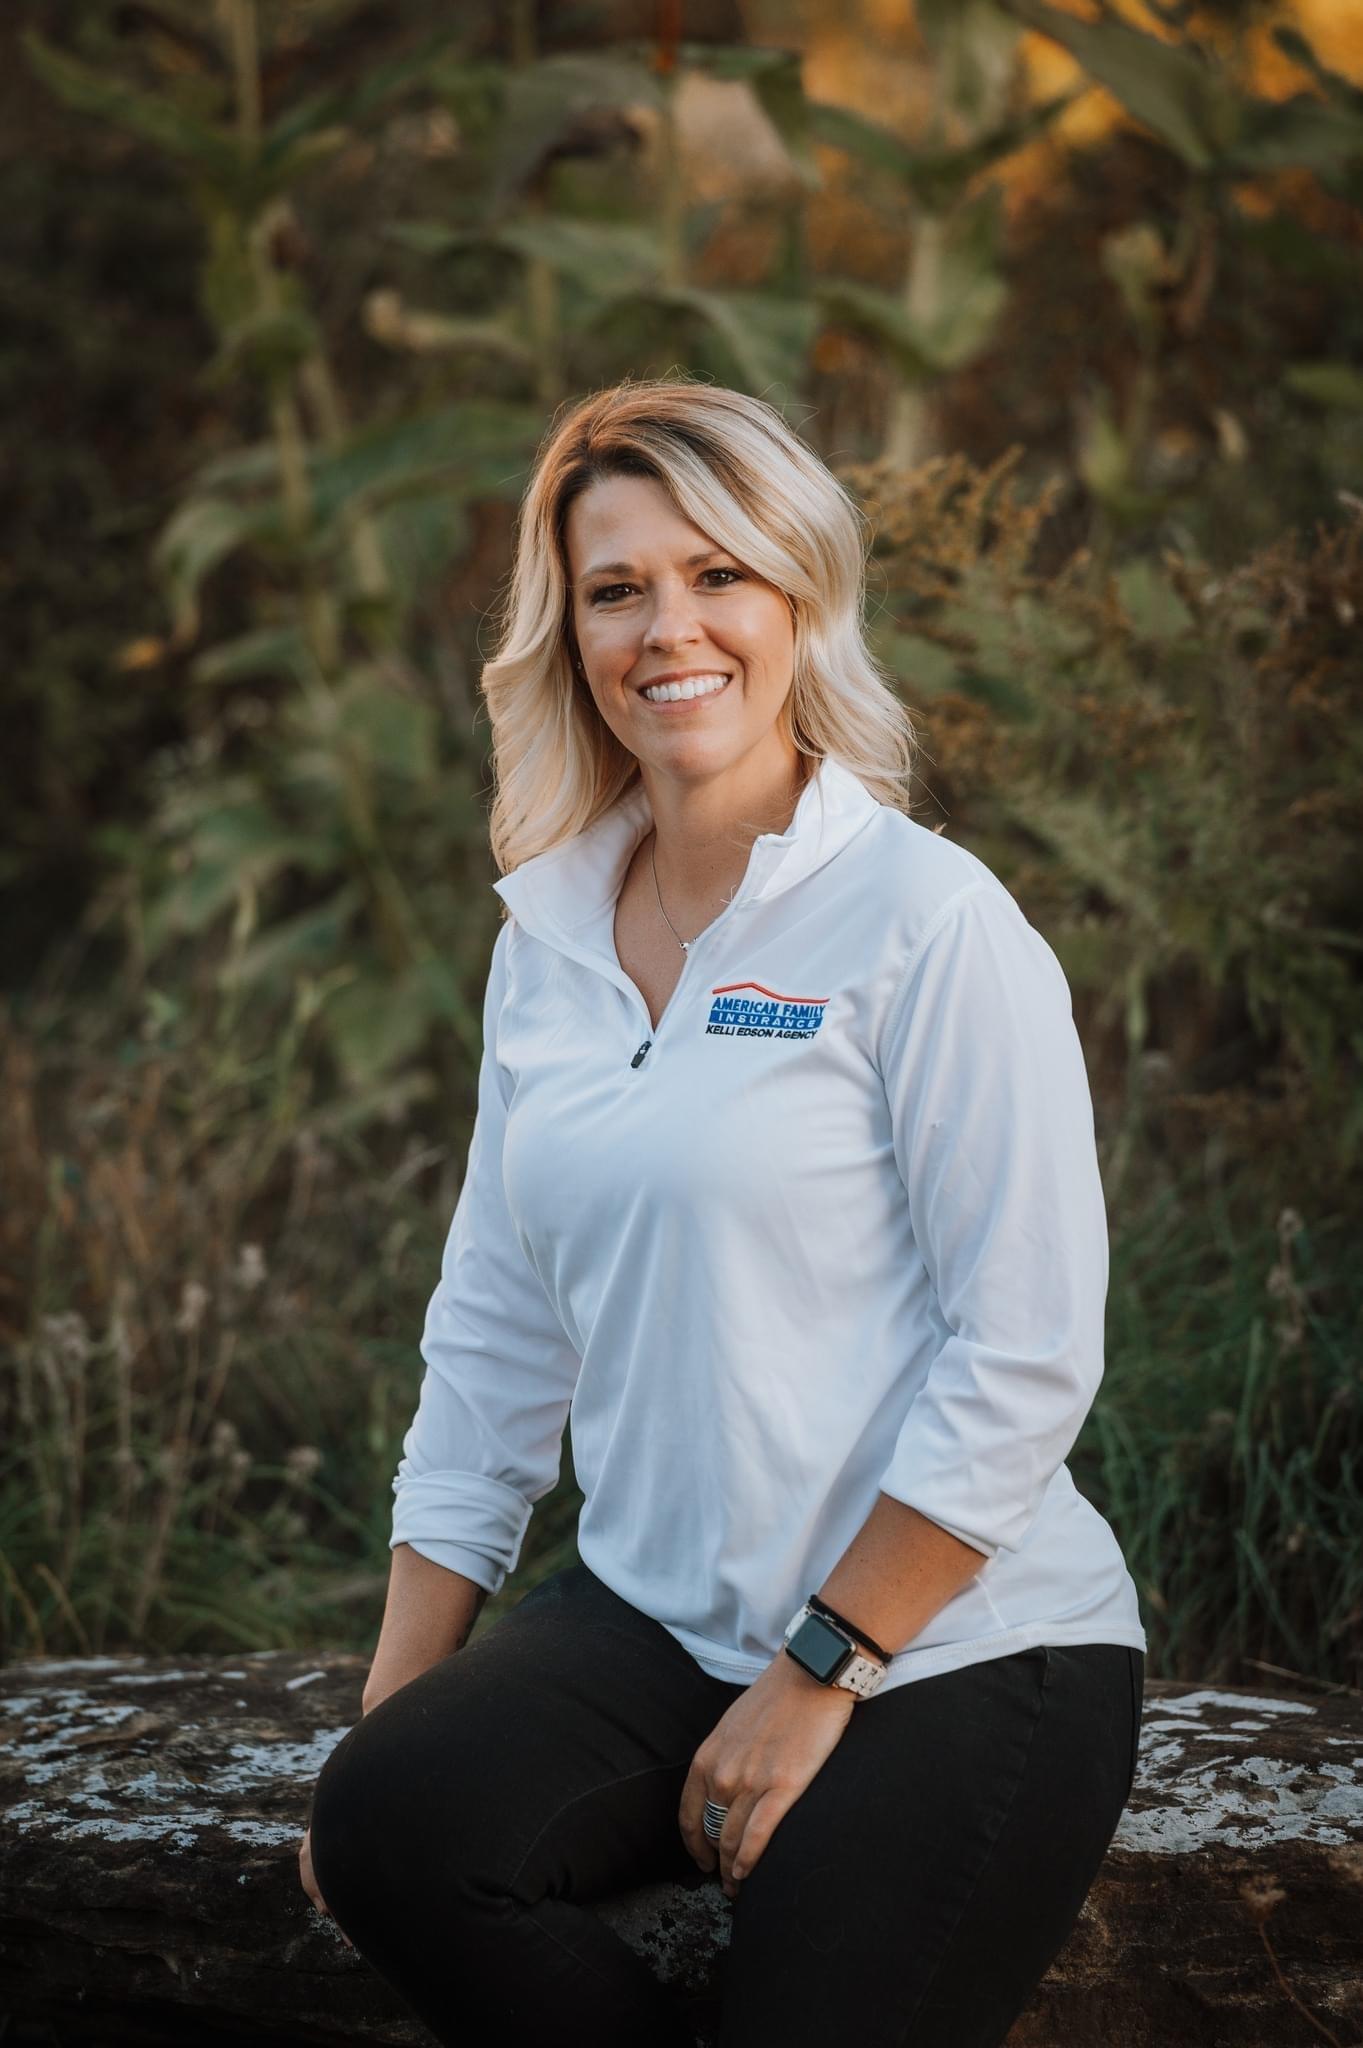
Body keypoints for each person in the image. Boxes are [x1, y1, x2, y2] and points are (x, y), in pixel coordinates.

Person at [300, 377, 1146, 2048]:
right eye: (618, 589)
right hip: (654, 1621)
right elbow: (490, 1348)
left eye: (718, 576)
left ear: (801, 599)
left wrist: (817, 1674)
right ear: (568, 632)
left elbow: (1030, 1355)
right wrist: (396, 1715)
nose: (667, 629)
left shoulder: (924, 919)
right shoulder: (544, 938)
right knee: (391, 1829)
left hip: (957, 1647)